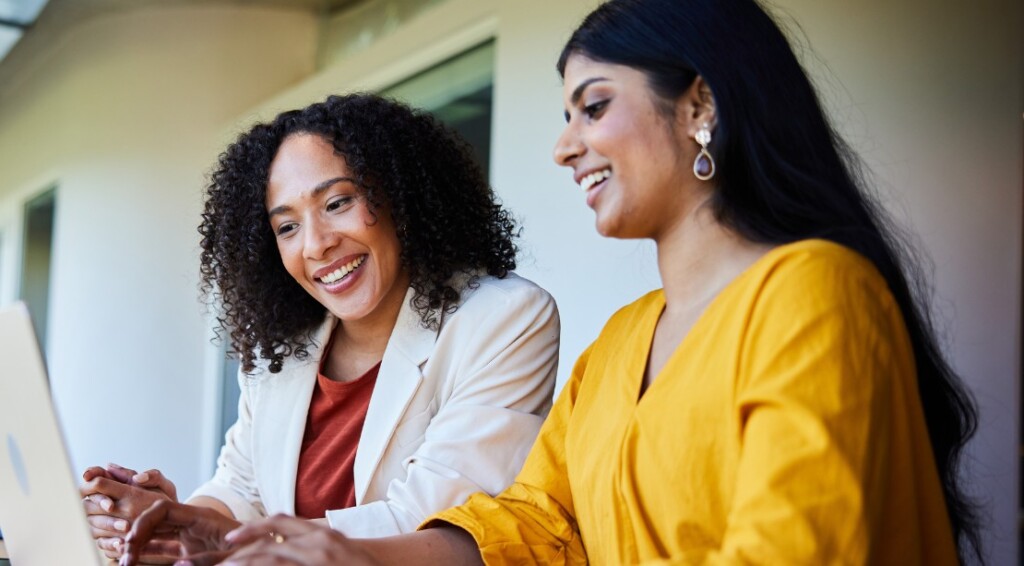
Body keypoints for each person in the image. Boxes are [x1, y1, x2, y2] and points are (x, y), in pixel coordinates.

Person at [123, 0, 985, 564]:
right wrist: (338, 550)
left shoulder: (813, 291)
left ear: (700, 107)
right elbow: (527, 527)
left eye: (594, 106)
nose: (565, 145)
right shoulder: (618, 346)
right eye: (566, 115)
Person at [81, 93, 560, 563]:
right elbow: (239, 489)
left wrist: (225, 537)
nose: (316, 245)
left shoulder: (506, 318)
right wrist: (170, 524)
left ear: (400, 195)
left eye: (337, 202)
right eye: (286, 227)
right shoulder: (285, 349)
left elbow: (435, 521)